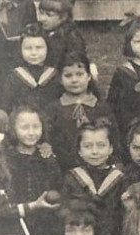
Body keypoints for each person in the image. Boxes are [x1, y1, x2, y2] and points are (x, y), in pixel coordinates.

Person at [60, 120, 129, 235]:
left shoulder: (121, 178)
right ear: (79, 150)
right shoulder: (72, 178)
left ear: (111, 148)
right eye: (87, 146)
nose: (95, 151)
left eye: (101, 145)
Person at [6, 105, 63, 235]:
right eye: (24, 127)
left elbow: (57, 185)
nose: (31, 132)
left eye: (36, 127)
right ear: (13, 129)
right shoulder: (8, 159)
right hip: (17, 221)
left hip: (44, 223)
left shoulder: (47, 158)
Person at [45, 42, 114, 171]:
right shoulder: (54, 108)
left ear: (88, 77)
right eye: (68, 75)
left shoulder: (100, 106)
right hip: (64, 167)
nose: (74, 80)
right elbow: (49, 137)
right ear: (60, 79)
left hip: (98, 165)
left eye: (79, 74)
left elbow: (113, 137)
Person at [107, 16, 140, 141]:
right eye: (137, 42)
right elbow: (113, 102)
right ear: (129, 43)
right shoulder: (122, 72)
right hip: (127, 124)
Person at [0, 23, 62, 117]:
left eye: (39, 48)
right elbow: (6, 107)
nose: (33, 53)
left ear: (48, 48)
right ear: (20, 49)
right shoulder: (14, 77)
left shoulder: (55, 76)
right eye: (28, 48)